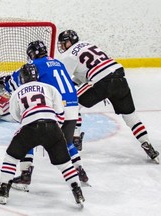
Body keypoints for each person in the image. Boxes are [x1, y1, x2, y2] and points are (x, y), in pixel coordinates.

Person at [57, 29, 159, 163]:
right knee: (130, 116)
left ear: (69, 42)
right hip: (119, 78)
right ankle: (148, 145)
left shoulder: (68, 55)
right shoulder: (88, 44)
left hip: (101, 82)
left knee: (72, 104)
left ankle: (75, 140)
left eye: (63, 43)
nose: (62, 46)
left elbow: (63, 80)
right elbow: (84, 72)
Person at [0, 63, 85, 206]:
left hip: (30, 127)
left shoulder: (17, 92)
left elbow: (17, 117)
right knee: (64, 163)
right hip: (53, 126)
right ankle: (77, 191)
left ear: (22, 78)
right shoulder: (50, 88)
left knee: (11, 156)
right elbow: (60, 114)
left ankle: (3, 191)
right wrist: (52, 129)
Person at [0, 40, 89, 191]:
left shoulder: (36, 65)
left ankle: (25, 173)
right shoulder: (57, 63)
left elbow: (16, 82)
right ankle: (79, 169)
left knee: (27, 134)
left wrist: (3, 81)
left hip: (58, 105)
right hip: (74, 106)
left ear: (32, 54)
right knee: (66, 142)